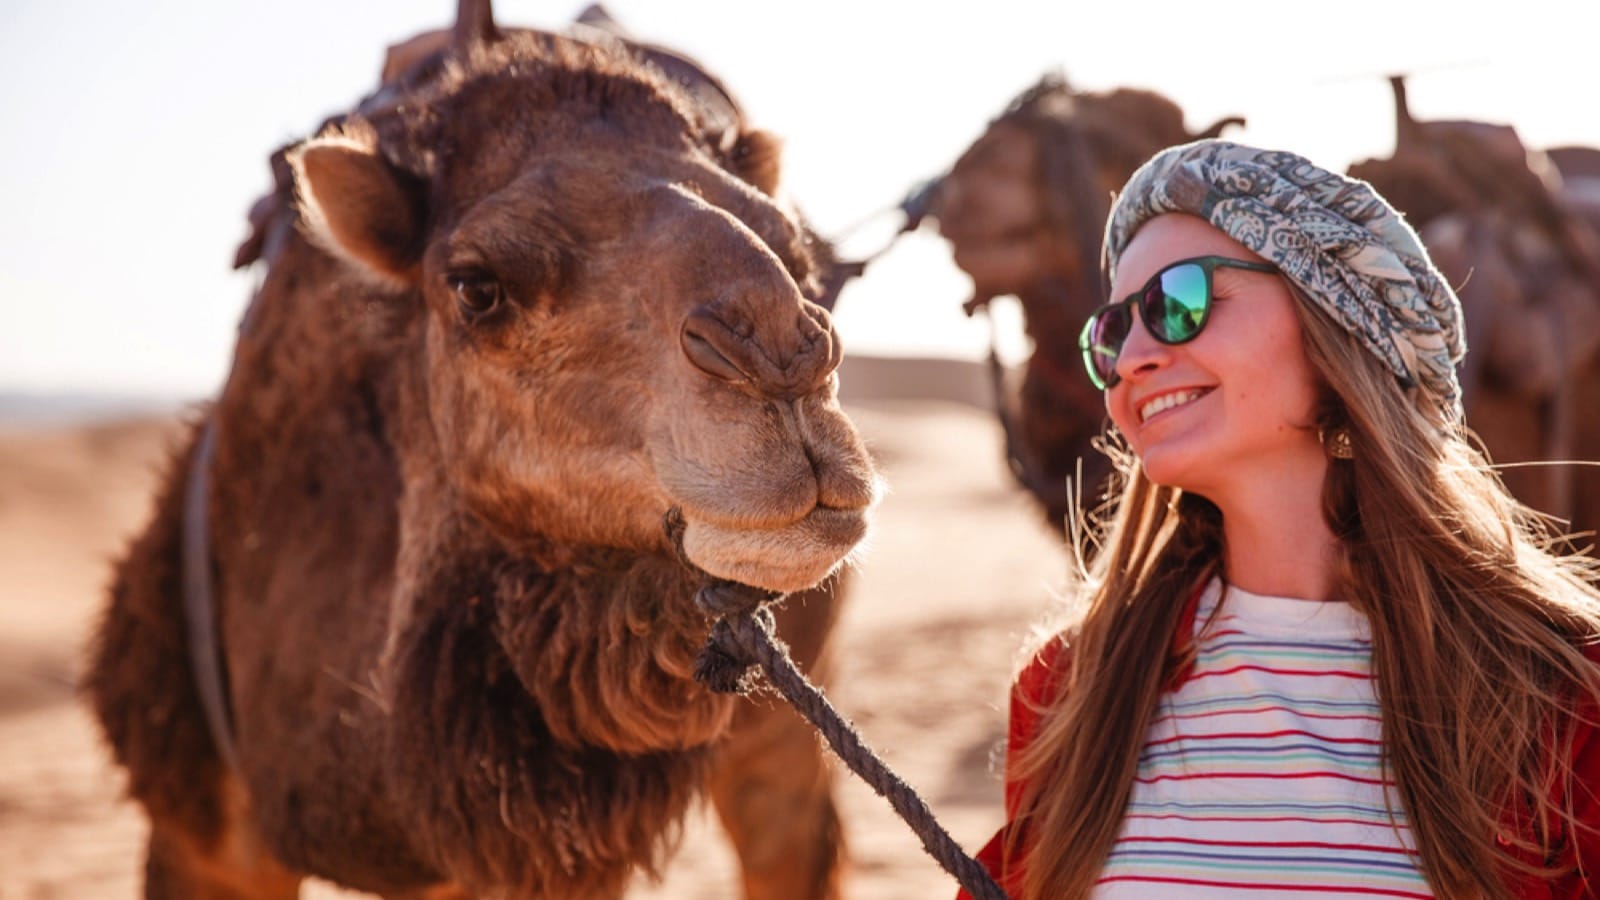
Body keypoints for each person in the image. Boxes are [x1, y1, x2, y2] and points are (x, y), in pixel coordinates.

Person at [961, 140, 1600, 899]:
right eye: (1112, 331)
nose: (1131, 357)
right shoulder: (1073, 691)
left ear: (1334, 321)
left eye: (1177, 303)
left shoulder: (1555, 701)